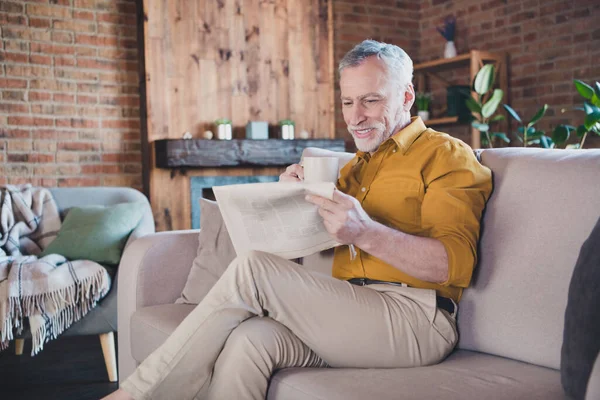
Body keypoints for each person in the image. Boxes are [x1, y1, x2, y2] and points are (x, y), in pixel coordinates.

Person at [104, 40, 492, 400]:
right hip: (350, 307)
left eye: (371, 101)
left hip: (416, 320)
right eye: (347, 102)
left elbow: (454, 265)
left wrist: (367, 232)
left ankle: (135, 394)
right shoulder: (355, 168)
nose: (355, 117)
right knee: (250, 341)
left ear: (407, 96)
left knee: (254, 270)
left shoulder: (446, 156)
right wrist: (286, 199)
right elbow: (313, 252)